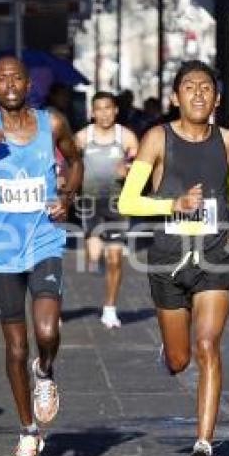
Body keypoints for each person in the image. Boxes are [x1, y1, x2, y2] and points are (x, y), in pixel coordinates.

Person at [118, 60, 229, 456]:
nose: (198, 94)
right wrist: (171, 204)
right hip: (167, 260)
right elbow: (128, 201)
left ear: (216, 98)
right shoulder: (157, 139)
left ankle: (203, 444)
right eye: (189, 87)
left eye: (206, 88)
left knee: (207, 346)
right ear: (175, 97)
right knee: (181, 359)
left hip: (215, 257)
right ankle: (170, 352)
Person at [0, 56, 83, 456]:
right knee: (15, 347)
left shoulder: (52, 124)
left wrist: (67, 198)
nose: (10, 83)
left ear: (29, 84)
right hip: (3, 248)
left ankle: (45, 371)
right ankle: (28, 433)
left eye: (17, 77)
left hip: (45, 239)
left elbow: (76, 160)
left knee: (47, 330)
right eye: (2, 78)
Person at [74, 91, 139, 328]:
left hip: (117, 203)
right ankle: (94, 256)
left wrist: (130, 167)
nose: (103, 113)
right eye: (98, 109)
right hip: (89, 202)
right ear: (92, 112)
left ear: (116, 110)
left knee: (115, 258)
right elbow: (68, 162)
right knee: (94, 257)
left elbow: (141, 163)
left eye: (108, 108)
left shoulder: (126, 136)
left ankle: (109, 309)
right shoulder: (82, 137)